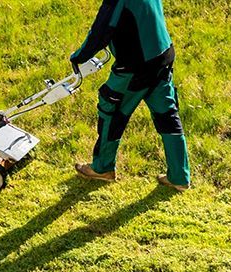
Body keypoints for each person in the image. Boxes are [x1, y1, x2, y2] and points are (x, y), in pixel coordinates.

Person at [70, 0, 189, 188]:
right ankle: (179, 177)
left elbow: (99, 35)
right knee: (167, 115)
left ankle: (102, 168)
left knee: (111, 110)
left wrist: (77, 58)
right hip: (162, 57)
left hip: (135, 69)